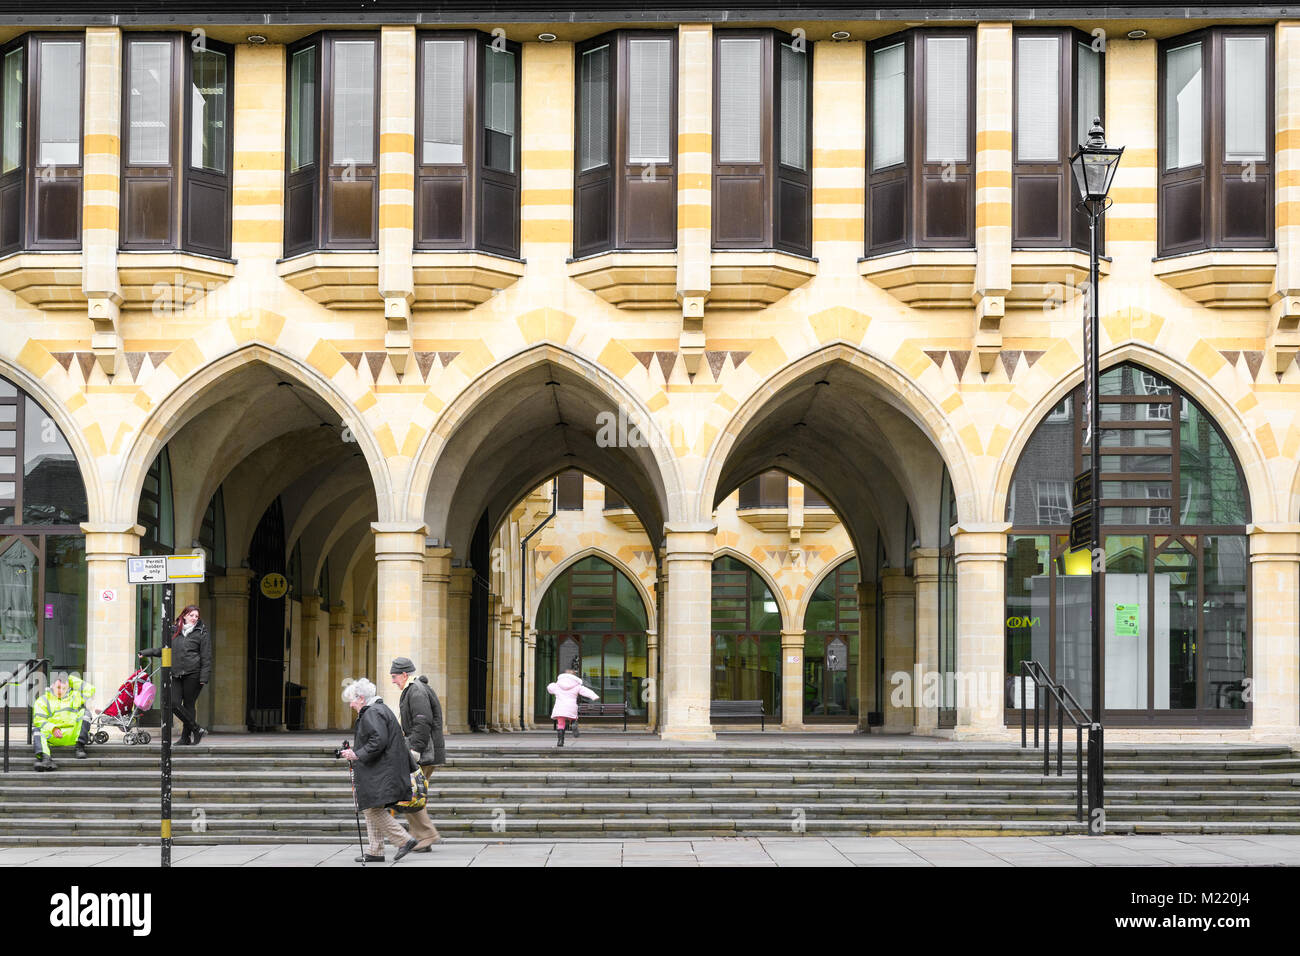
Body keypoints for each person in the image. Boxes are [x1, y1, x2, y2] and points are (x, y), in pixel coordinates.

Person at [339, 678, 418, 863]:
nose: (350, 704)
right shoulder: (378, 709)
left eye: (351, 700)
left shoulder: (372, 712)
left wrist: (356, 754)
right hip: (385, 768)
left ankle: (404, 839)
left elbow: (377, 741)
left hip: (383, 771)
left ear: (360, 698)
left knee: (372, 809)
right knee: (372, 807)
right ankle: (375, 851)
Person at [390, 657, 445, 851]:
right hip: (426, 752)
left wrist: (415, 750)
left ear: (404, 675)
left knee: (410, 794)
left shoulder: (416, 691)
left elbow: (422, 722)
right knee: (413, 794)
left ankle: (427, 835)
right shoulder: (414, 690)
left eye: (395, 676)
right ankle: (420, 838)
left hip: (424, 753)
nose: (393, 681)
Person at [139, 604, 212, 745]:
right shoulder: (174, 631)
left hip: (194, 674)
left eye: (196, 616)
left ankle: (186, 737)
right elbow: (165, 650)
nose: (194, 618)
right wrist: (147, 652)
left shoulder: (202, 632)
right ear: (184, 615)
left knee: (189, 704)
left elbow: (206, 656)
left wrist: (204, 676)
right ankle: (196, 729)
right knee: (172, 703)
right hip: (177, 673)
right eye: (191, 615)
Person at [32, 674, 97, 771]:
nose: (61, 691)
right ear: (52, 685)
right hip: (53, 736)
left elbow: (90, 689)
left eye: (64, 688)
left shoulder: (74, 696)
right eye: (58, 687)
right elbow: (38, 720)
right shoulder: (43, 700)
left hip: (73, 735)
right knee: (37, 729)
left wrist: (69, 679)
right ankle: (46, 759)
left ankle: (80, 747)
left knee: (85, 713)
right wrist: (52, 728)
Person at [547, 657, 598, 747]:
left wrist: (552, 687)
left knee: (561, 724)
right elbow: (585, 691)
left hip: (560, 707)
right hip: (571, 706)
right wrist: (594, 696)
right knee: (573, 717)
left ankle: (560, 741)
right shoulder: (577, 685)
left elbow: (550, 688)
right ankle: (573, 723)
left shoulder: (557, 685)